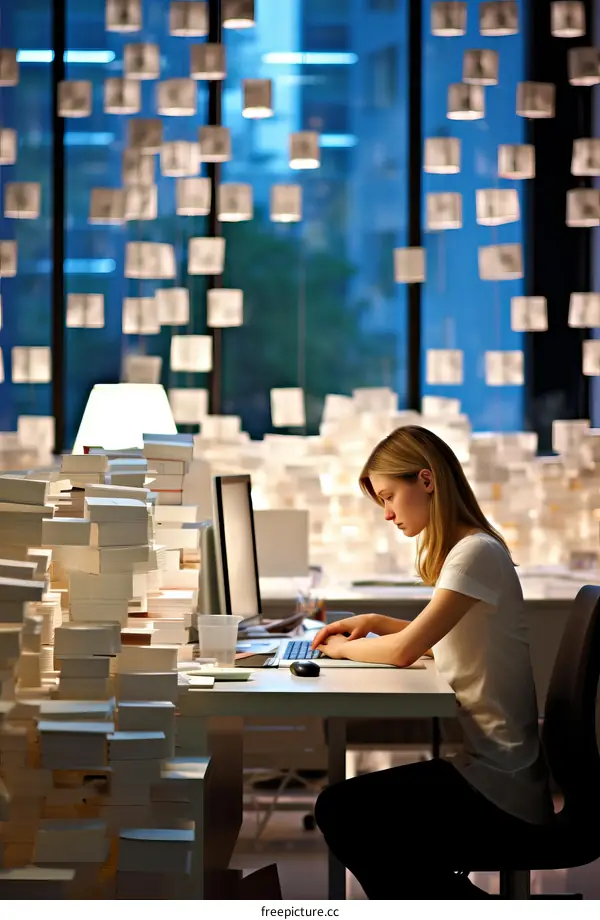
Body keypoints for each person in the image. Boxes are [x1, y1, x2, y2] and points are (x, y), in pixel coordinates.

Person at [311, 425, 553, 899]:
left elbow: (403, 653)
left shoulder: (474, 554)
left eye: (389, 496)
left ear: (425, 481)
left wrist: (336, 650)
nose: (387, 514)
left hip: (502, 786)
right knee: (357, 814)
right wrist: (378, 621)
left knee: (341, 811)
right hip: (498, 770)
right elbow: (439, 642)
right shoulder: (472, 550)